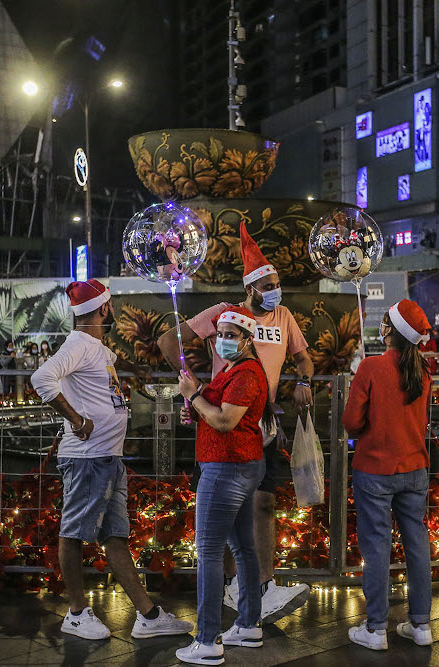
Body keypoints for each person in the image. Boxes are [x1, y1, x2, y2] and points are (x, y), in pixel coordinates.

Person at [158, 221, 314, 624]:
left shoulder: (283, 316)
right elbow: (168, 342)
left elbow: (304, 358)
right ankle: (232, 587)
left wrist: (303, 380)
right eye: (268, 285)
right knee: (226, 513)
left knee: (262, 503)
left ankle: (261, 585)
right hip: (223, 419)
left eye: (277, 284)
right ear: (250, 289)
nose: (275, 292)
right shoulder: (225, 316)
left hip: (263, 422)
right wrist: (198, 386)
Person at [31, 279, 192, 640]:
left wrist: (135, 373)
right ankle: (76, 613)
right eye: (112, 304)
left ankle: (148, 616)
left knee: (115, 537)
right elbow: (42, 378)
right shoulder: (79, 345)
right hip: (88, 458)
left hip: (107, 459)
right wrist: (76, 419)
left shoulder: (97, 348)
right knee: (72, 533)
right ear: (105, 308)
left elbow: (109, 367)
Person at [175, 306, 270, 665]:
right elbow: (213, 410)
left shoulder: (246, 374)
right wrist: (197, 400)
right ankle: (248, 624)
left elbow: (226, 421)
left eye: (230, 335)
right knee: (244, 548)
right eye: (219, 335)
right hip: (239, 467)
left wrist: (195, 395)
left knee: (210, 552)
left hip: (226, 470)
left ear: (247, 340)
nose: (222, 341)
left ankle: (208, 639)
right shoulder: (234, 370)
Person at [342, 300, 434, 651]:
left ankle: (376, 628)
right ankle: (421, 625)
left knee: (377, 548)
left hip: (375, 470)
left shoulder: (370, 367)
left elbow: (352, 421)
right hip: (415, 468)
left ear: (391, 332)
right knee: (417, 546)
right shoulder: (423, 371)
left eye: (384, 322)